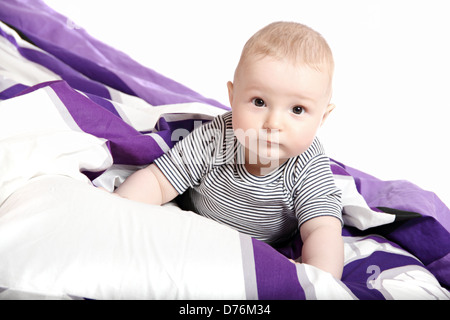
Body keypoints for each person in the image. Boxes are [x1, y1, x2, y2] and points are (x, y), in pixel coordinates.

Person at [114, 22, 344, 279]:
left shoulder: (308, 164)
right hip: (197, 226)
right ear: (233, 97)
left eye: (297, 110)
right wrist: (116, 209)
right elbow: (158, 181)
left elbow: (322, 228)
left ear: (322, 117)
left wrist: (321, 279)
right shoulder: (215, 138)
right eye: (259, 102)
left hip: (263, 250)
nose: (273, 124)